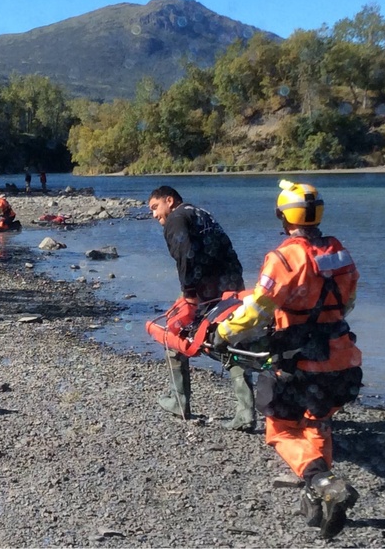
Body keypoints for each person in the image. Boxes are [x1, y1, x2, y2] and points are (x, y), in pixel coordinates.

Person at [211, 180, 362, 539]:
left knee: (279, 430)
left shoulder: (284, 257)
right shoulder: (340, 253)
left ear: (283, 216)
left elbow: (258, 311)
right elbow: (349, 302)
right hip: (341, 356)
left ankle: (319, 479)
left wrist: (224, 333)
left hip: (298, 361)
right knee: (318, 422)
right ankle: (322, 496)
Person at [147, 185, 245, 421]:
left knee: (173, 331)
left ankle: (179, 401)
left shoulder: (176, 220)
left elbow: (186, 255)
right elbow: (227, 249)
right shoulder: (202, 213)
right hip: (231, 286)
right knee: (232, 342)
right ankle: (246, 412)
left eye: (155, 207)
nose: (154, 215)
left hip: (205, 291)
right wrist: (237, 288)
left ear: (169, 201)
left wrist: (189, 294)